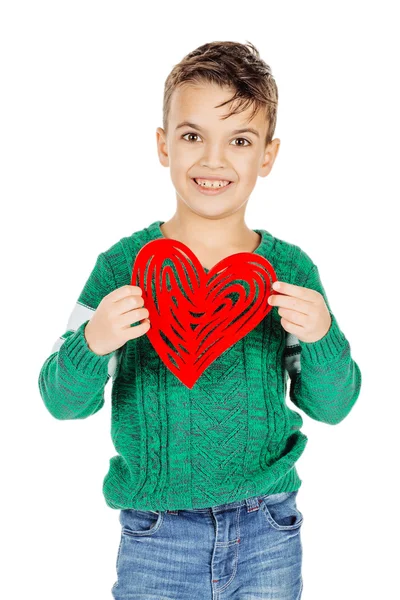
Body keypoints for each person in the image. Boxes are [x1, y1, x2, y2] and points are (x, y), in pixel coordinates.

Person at [38, 40, 362, 599]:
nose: (214, 160)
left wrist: (323, 338)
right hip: (156, 534)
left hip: (269, 527)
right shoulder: (121, 267)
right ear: (164, 145)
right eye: (193, 136)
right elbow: (61, 401)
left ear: (268, 155)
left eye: (239, 140)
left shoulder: (290, 269)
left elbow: (333, 406)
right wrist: (92, 342)